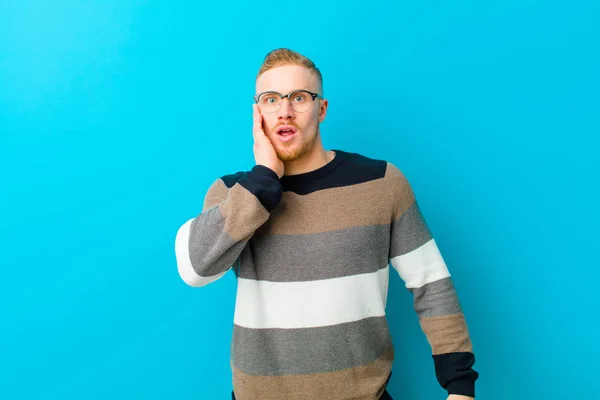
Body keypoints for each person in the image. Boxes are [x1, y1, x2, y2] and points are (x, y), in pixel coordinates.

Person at [174, 48, 479, 400]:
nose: (285, 111)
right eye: (271, 99)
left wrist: (460, 386)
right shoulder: (234, 193)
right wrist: (262, 181)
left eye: (299, 98)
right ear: (257, 113)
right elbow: (195, 269)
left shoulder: (381, 182)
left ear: (321, 108)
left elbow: (431, 284)